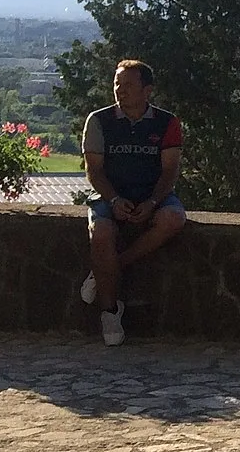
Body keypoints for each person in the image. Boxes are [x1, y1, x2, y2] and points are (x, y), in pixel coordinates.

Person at [80, 60, 188, 346]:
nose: (120, 90)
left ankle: (105, 270)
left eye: (128, 85)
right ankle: (110, 311)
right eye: (117, 83)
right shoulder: (99, 120)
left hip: (153, 194)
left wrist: (153, 202)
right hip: (109, 194)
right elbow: (94, 170)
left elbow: (170, 170)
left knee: (174, 220)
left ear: (147, 90)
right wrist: (113, 199)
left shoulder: (167, 123)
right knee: (100, 234)